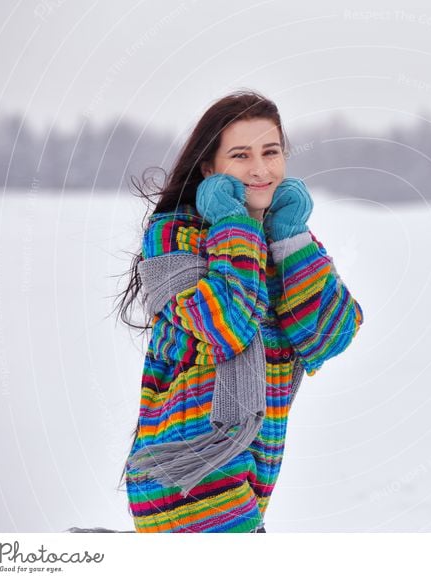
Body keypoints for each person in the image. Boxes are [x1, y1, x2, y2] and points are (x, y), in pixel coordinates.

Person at [113, 90, 364, 533]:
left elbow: (329, 334)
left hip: (250, 470)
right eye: (240, 155)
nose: (260, 169)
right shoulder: (174, 237)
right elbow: (227, 325)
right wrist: (234, 223)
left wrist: (289, 237)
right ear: (210, 168)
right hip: (188, 469)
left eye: (271, 152)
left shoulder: (281, 241)